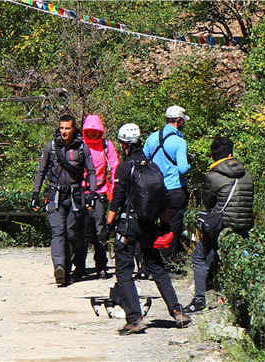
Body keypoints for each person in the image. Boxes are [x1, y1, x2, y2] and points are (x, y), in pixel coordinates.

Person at [103, 123, 191, 335]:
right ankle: (177, 311)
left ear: (124, 146)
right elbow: (164, 199)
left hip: (128, 227)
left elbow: (117, 200)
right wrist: (165, 225)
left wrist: (107, 225)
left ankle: (134, 319)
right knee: (157, 267)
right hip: (149, 225)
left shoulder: (124, 168)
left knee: (124, 272)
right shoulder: (153, 166)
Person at [183, 137, 254, 314]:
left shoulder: (213, 176)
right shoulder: (246, 174)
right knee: (225, 259)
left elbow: (208, 203)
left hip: (222, 225)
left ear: (213, 156)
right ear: (231, 154)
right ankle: (225, 295)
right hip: (243, 226)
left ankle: (199, 300)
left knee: (199, 257)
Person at [32, 115, 98, 286]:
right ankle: (59, 268)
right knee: (57, 231)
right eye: (61, 128)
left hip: (75, 196)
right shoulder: (51, 147)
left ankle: (66, 270)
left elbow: (91, 171)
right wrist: (35, 193)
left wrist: (92, 193)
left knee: (70, 233)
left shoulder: (82, 148)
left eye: (67, 128)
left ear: (74, 128)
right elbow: (41, 171)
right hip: (55, 195)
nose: (64, 131)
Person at [142, 106, 191, 270]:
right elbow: (183, 168)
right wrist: (188, 163)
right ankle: (168, 263)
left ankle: (150, 261)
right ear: (178, 120)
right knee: (174, 225)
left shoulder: (151, 138)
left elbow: (145, 160)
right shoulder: (179, 141)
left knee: (156, 224)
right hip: (175, 189)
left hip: (155, 189)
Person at [74, 114, 119, 279]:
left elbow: (115, 168)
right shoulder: (78, 145)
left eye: (96, 130)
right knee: (79, 230)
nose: (93, 133)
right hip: (81, 192)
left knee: (99, 231)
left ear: (100, 130)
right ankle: (79, 265)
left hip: (100, 192)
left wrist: (114, 192)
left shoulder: (107, 146)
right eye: (89, 130)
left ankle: (101, 264)